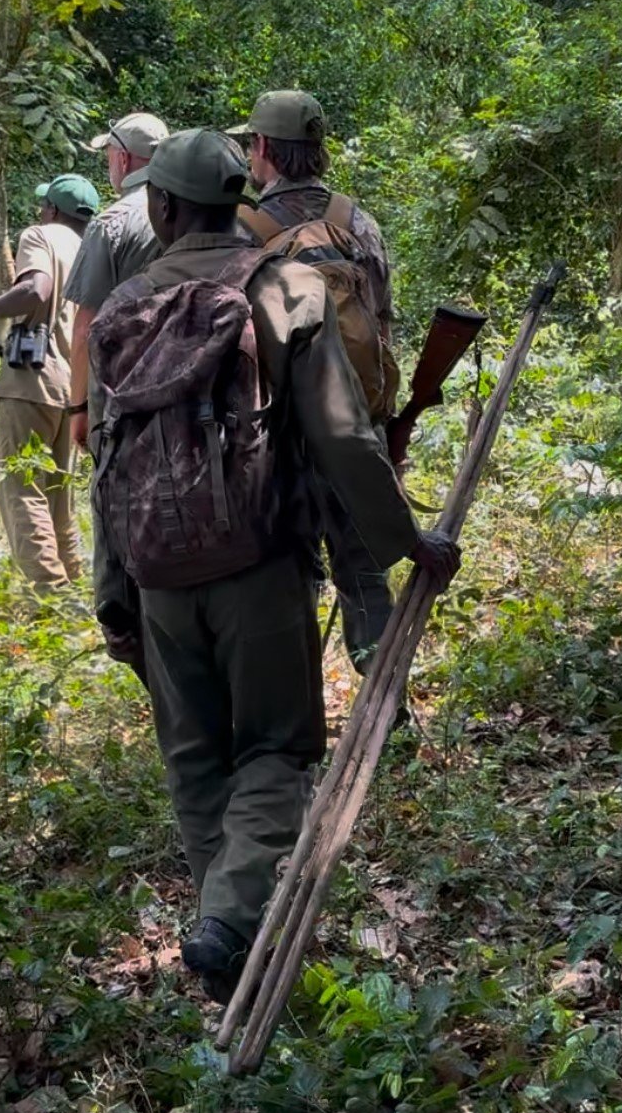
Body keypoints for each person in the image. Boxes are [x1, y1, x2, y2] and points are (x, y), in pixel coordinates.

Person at [88, 128, 459, 1003]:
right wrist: (408, 541)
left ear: (160, 207)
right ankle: (230, 924)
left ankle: (226, 932)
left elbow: (108, 459)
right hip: (259, 566)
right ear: (236, 202)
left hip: (156, 577)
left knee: (196, 761)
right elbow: (340, 432)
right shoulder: (283, 286)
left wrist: (114, 592)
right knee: (277, 749)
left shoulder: (123, 308)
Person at [232, 88, 403, 673]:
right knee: (365, 573)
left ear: (261, 148)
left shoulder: (242, 227)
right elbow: (380, 317)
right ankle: (387, 708)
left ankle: (295, 722)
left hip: (276, 435)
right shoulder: (356, 220)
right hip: (358, 425)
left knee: (284, 578)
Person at [0, 173, 99, 591]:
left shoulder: (41, 235)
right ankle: (76, 586)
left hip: (32, 380)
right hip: (75, 387)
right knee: (58, 496)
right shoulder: (92, 247)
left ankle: (51, 598)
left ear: (51, 210)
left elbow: (35, 290)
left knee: (21, 489)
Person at [65, 110, 170, 455]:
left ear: (123, 159)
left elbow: (85, 328)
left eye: (108, 153)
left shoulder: (112, 223)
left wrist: (77, 407)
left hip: (119, 394)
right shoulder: (195, 210)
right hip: (188, 383)